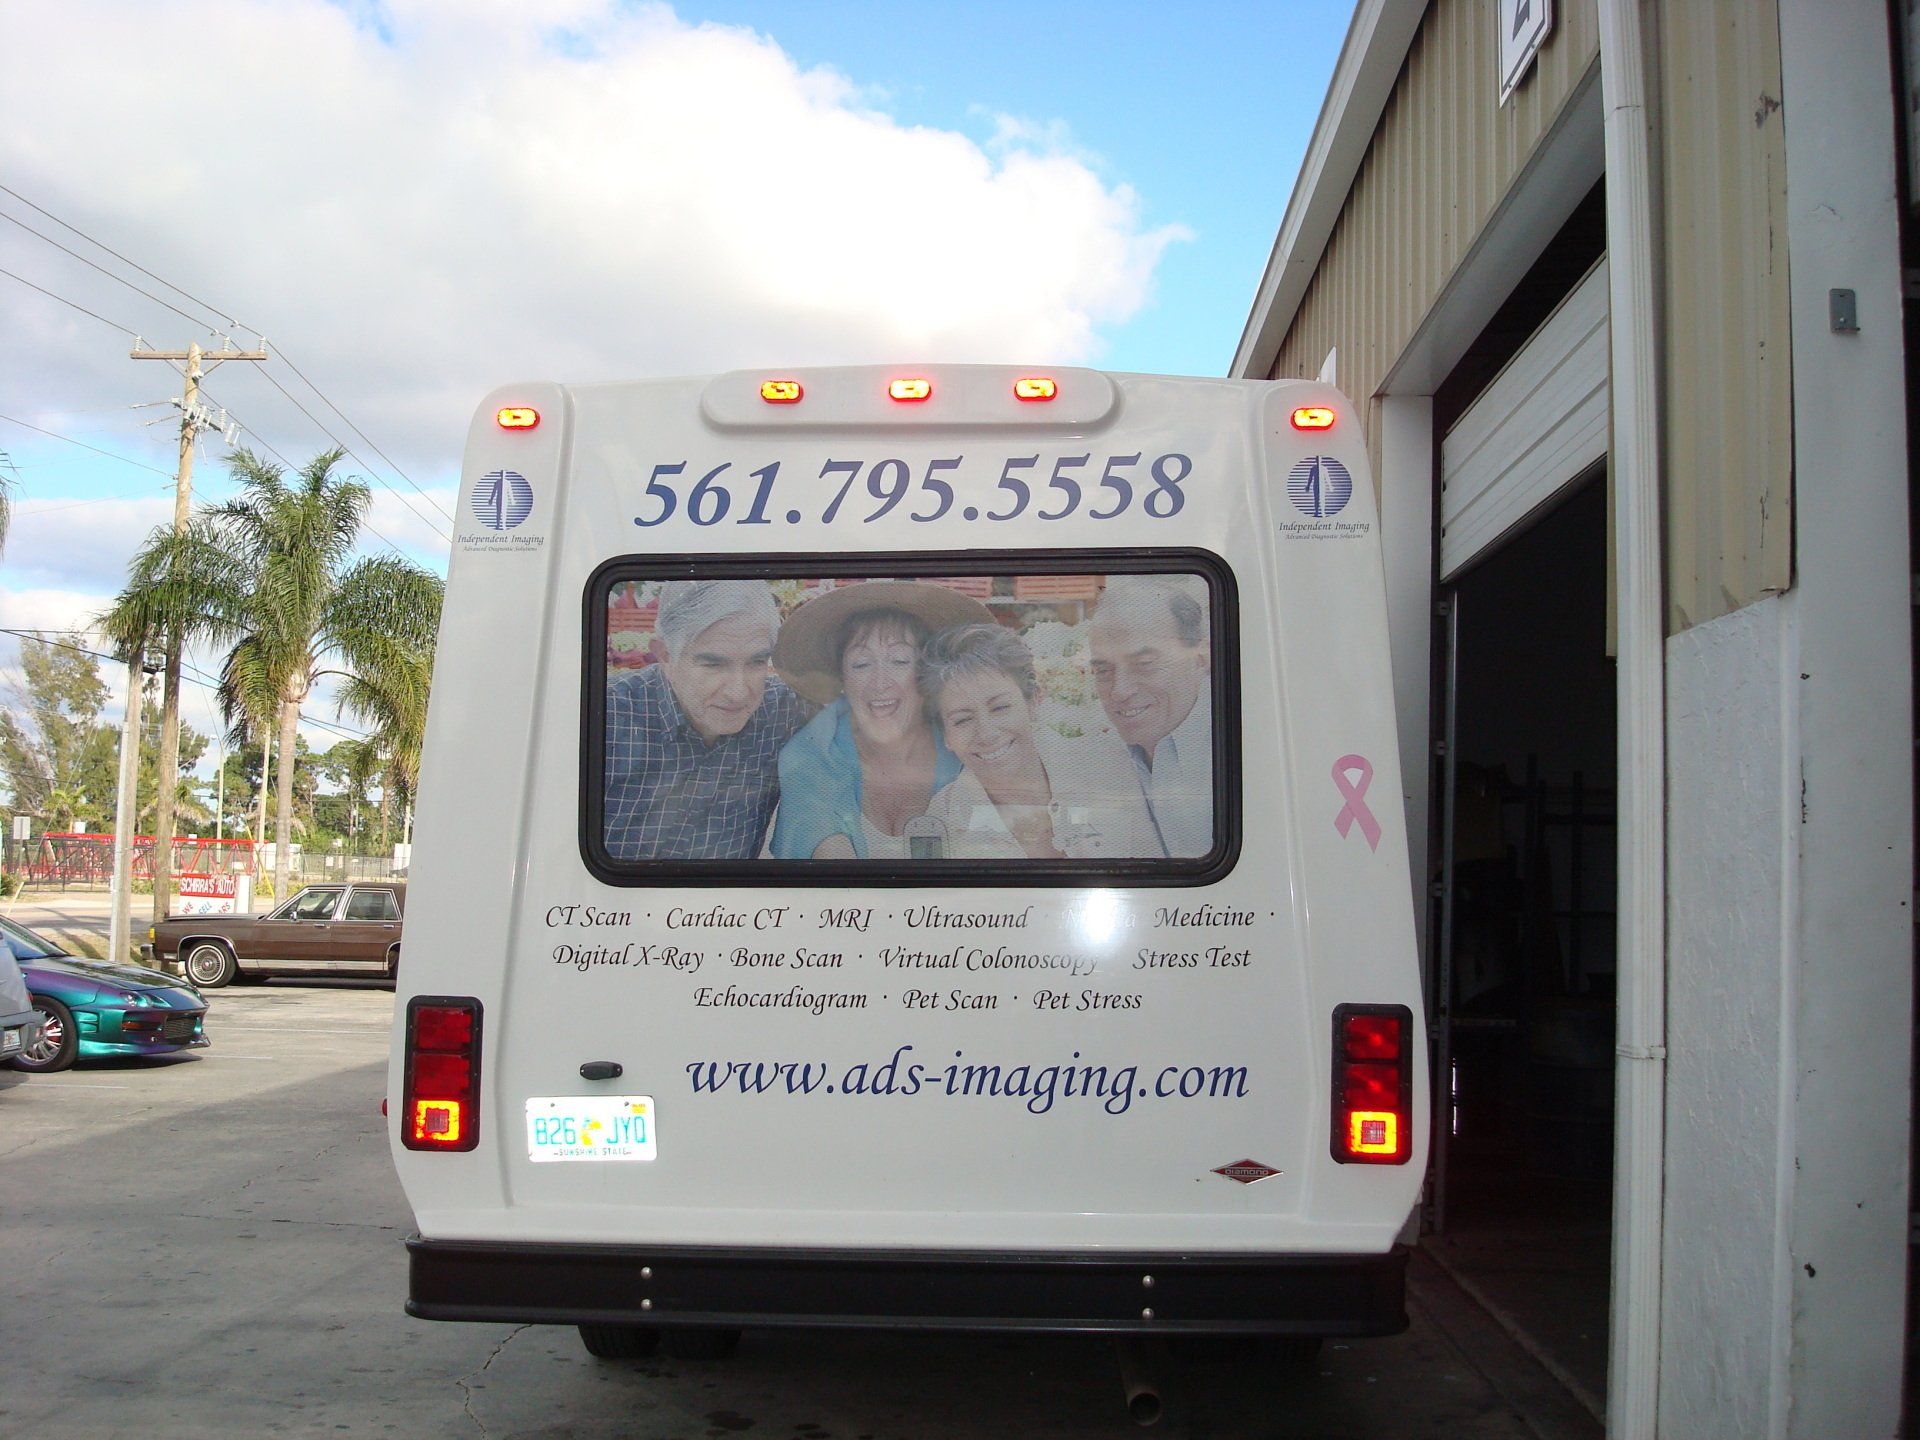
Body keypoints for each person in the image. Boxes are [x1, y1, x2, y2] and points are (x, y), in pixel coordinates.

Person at [769, 582, 993, 859]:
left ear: (926, 673)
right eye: (861, 664)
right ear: (842, 678)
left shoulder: (966, 738)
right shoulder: (810, 755)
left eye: (899, 661)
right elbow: (838, 877)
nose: (879, 684)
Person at [603, 579, 808, 860]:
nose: (738, 692)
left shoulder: (783, 710)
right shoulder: (608, 718)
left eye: (757, 662)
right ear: (665, 655)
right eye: (713, 664)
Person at [916, 623, 1157, 860]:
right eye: (963, 720)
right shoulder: (942, 819)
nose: (986, 734)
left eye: (1000, 708)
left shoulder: (1107, 767)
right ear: (945, 735)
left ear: (1033, 701)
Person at [1088, 574, 1214, 858]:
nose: (1120, 691)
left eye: (1144, 665)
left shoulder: (1237, 750)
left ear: (1201, 659)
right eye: (1103, 671)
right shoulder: (1099, 753)